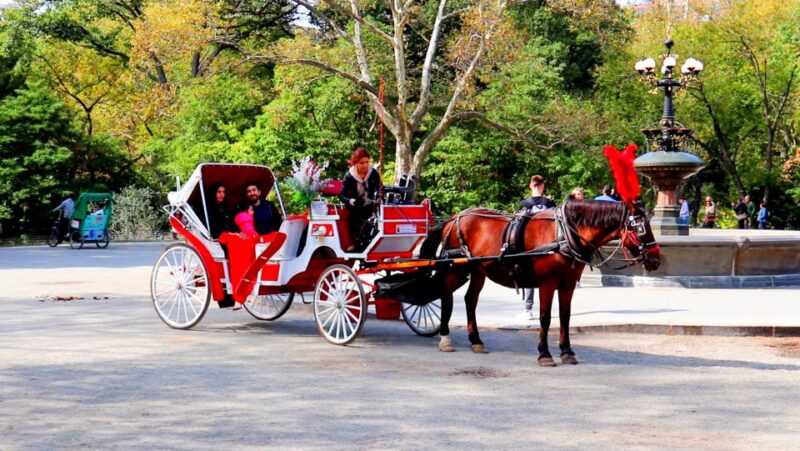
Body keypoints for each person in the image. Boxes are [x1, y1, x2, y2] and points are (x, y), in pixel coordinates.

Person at [519, 175, 556, 319]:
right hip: (549, 245)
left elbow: (519, 228)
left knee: (528, 276)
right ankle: (546, 308)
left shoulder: (524, 204)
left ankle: (528, 309)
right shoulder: (549, 202)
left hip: (531, 246)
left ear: (531, 185)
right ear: (542, 186)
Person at [339, 147, 382, 252]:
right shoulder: (349, 176)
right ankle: (353, 242)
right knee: (354, 216)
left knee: (374, 219)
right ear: (355, 163)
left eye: (367, 162)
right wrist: (351, 201)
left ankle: (372, 244)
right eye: (361, 163)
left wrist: (378, 197)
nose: (365, 165)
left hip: (370, 205)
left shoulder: (373, 174)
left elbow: (380, 189)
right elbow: (342, 194)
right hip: (355, 207)